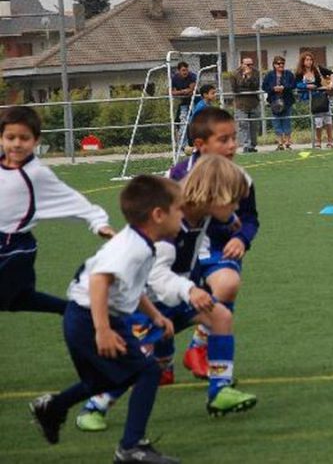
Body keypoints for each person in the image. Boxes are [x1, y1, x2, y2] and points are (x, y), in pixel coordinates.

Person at [75, 156, 258, 431]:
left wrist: (232, 221)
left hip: (174, 295)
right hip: (147, 302)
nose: (236, 208)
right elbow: (155, 275)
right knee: (138, 360)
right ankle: (95, 406)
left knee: (219, 316)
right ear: (213, 196)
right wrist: (190, 290)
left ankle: (219, 390)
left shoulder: (203, 211)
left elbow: (221, 210)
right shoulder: (168, 230)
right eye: (233, 201)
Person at [29, 175, 182, 463]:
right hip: (90, 319)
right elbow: (99, 281)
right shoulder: (132, 247)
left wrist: (156, 315)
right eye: (179, 210)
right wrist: (102, 330)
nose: (183, 216)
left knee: (101, 379)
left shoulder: (140, 242)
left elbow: (129, 288)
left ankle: (52, 407)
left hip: (90, 317)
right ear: (158, 215)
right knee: (147, 371)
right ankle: (131, 447)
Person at [168, 108, 260, 381]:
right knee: (165, 305)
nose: (232, 145)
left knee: (227, 284)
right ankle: (158, 358)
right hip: (183, 252)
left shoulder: (241, 177)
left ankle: (199, 348)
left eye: (234, 138)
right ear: (200, 145)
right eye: (223, 140)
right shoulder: (179, 173)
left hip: (220, 250)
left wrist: (240, 238)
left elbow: (250, 219)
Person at [1, 106, 114, 315]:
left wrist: (99, 222)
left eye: (24, 138)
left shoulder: (36, 174)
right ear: (1, 139)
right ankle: (82, 313)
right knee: (20, 300)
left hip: (15, 250)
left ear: (36, 141)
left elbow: (73, 201)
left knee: (13, 298)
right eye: (10, 137)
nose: (16, 143)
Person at [295, 51, 333, 149]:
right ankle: (318, 141)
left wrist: (331, 83)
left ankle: (330, 141)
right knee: (318, 121)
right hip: (311, 99)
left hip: (322, 96)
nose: (309, 62)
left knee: (328, 119)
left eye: (311, 60)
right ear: (303, 61)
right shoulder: (300, 73)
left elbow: (332, 74)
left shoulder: (318, 69)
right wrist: (307, 85)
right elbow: (296, 84)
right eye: (307, 60)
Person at [261, 56, 296, 150]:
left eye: (282, 63)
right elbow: (264, 87)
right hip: (274, 101)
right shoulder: (269, 75)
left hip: (287, 101)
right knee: (276, 122)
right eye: (278, 63)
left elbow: (293, 85)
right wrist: (273, 89)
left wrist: (284, 87)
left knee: (287, 121)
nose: (280, 65)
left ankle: (288, 142)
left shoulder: (288, 74)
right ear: (274, 65)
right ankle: (280, 143)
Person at [230, 56, 261, 153]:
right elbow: (235, 89)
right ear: (242, 64)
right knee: (243, 124)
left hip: (254, 102)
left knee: (254, 125)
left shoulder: (256, 72)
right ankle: (246, 145)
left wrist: (249, 78)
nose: (250, 66)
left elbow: (255, 86)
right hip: (241, 104)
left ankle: (252, 145)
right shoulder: (234, 74)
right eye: (247, 64)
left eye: (251, 64)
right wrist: (244, 78)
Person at [169, 61, 197, 143]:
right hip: (184, 102)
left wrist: (180, 92)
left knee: (194, 120)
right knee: (179, 121)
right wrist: (183, 91)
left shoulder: (192, 76)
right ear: (179, 71)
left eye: (186, 70)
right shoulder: (175, 78)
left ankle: (194, 141)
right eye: (183, 70)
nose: (185, 72)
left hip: (194, 100)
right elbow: (172, 92)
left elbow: (191, 91)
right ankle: (182, 143)